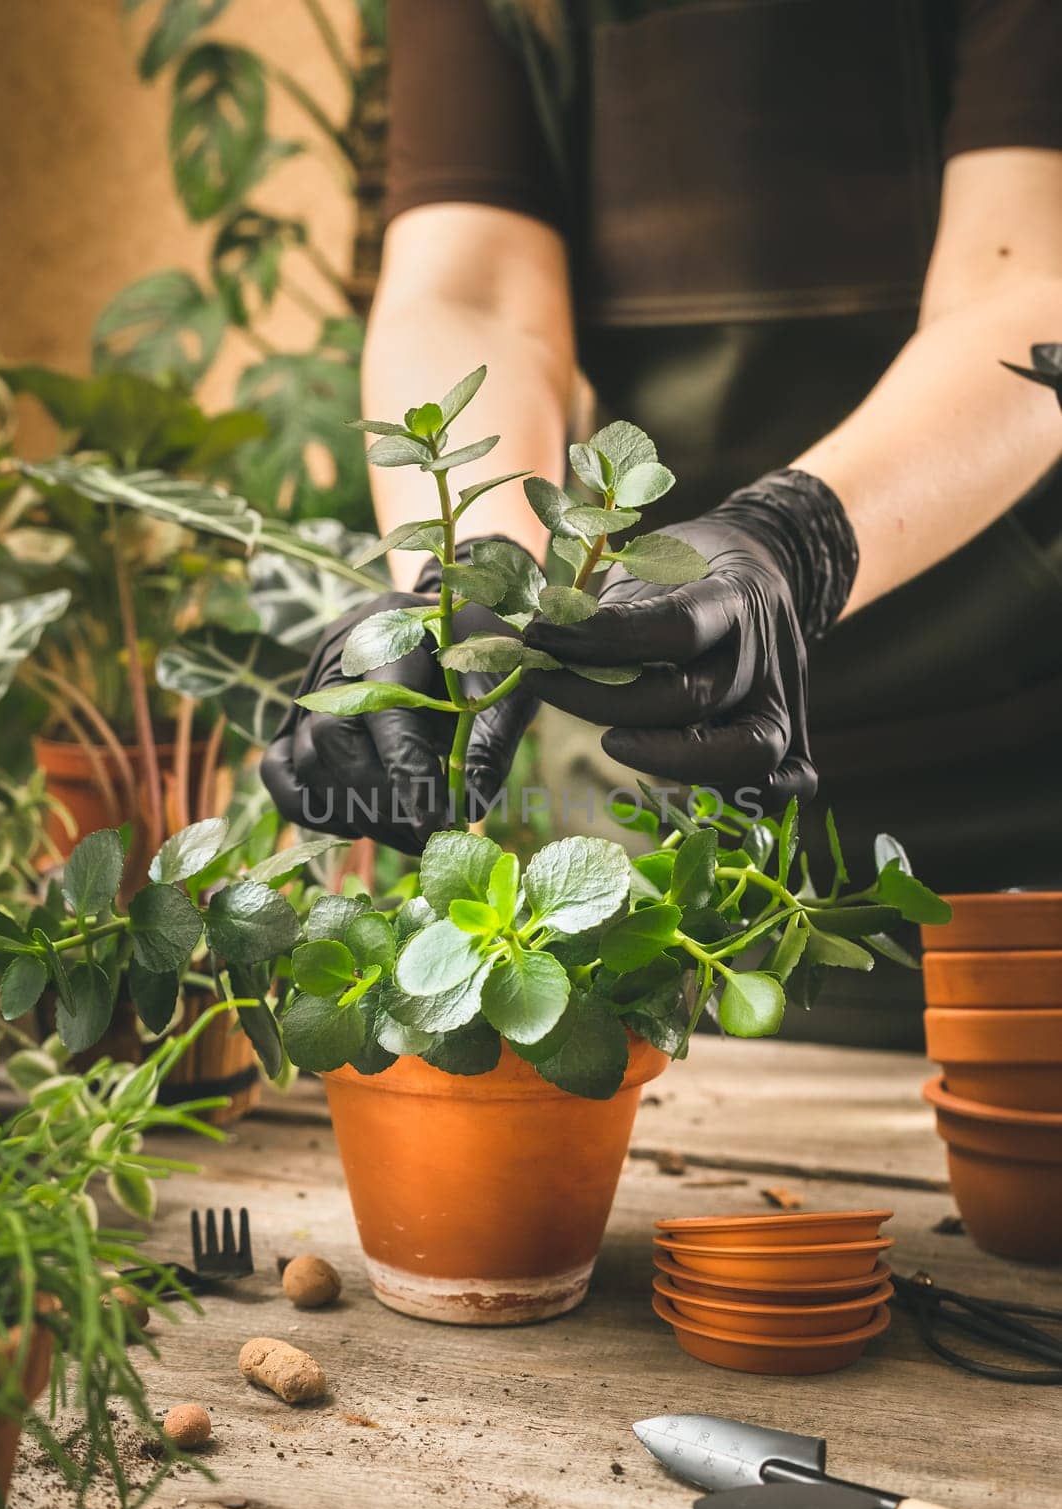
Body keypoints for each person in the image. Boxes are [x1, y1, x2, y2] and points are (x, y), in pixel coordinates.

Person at [262, 0, 1062, 1040]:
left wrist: (801, 537)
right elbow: (473, 289)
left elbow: (1025, 283)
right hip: (671, 789)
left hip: (1019, 774)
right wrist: (462, 582)